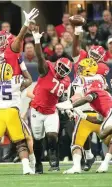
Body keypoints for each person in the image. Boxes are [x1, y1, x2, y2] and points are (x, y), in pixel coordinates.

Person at [56, 80, 112, 174]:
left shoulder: (95, 92)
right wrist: (83, 115)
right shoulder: (105, 97)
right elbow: (99, 120)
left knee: (102, 134)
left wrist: (70, 105)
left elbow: (88, 98)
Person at [30, 26, 72, 173]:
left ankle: (54, 162)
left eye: (65, 70)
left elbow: (62, 94)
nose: (62, 71)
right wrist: (36, 40)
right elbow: (40, 57)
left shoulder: (66, 81)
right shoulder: (47, 68)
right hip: (37, 110)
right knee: (37, 140)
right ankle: (38, 164)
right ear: (57, 64)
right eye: (60, 67)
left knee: (52, 136)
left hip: (51, 111)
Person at [61, 58, 108, 174]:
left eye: (82, 67)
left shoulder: (80, 79)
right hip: (100, 114)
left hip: (85, 113)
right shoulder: (101, 78)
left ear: (88, 69)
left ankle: (79, 164)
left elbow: (75, 96)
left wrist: (69, 106)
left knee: (76, 142)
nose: (79, 69)